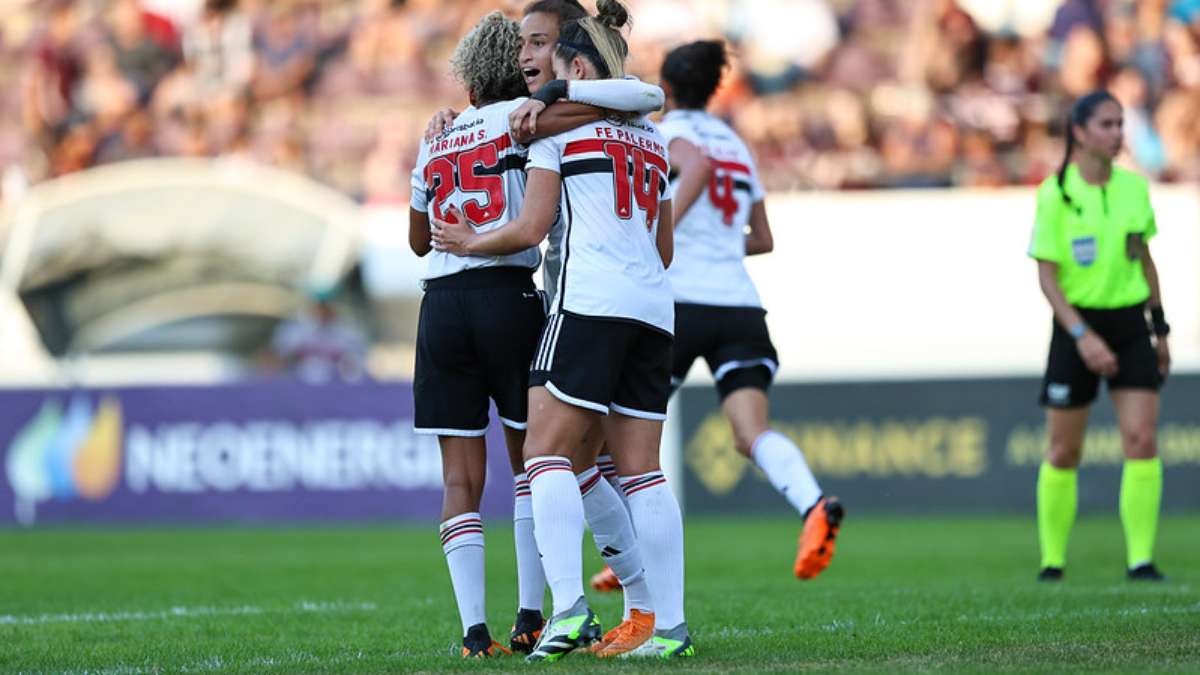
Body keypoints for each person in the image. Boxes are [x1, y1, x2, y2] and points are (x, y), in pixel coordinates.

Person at [432, 0, 691, 660]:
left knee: (545, 457)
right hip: (654, 310)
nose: (530, 63)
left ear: (574, 63)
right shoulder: (650, 137)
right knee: (641, 472)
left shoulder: (554, 131)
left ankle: (570, 608)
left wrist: (469, 238)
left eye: (544, 50)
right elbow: (663, 247)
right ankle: (669, 626)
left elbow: (528, 226)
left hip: (587, 304)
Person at [655, 39, 845, 581]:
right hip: (738, 305)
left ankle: (627, 553)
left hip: (676, 302)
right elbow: (761, 238)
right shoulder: (737, 145)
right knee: (750, 433)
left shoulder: (664, 136)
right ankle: (813, 506)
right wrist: (716, 243)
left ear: (665, 89)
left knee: (624, 432)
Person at [408, 12, 546, 658]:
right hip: (506, 295)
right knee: (532, 465)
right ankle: (530, 616)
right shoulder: (529, 115)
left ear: (466, 79)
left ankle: (472, 632)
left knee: (459, 477)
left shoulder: (436, 135)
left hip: (440, 303)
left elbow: (417, 240)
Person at [1028, 90, 1170, 582]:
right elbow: (1048, 277)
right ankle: (1052, 561)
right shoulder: (1056, 193)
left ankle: (1141, 560)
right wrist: (1084, 336)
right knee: (1064, 450)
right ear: (1080, 131)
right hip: (1076, 326)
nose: (1116, 134)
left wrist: (1160, 328)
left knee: (1141, 438)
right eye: (1106, 125)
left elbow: (1143, 259)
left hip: (1130, 324)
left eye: (1119, 124)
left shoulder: (1133, 188)